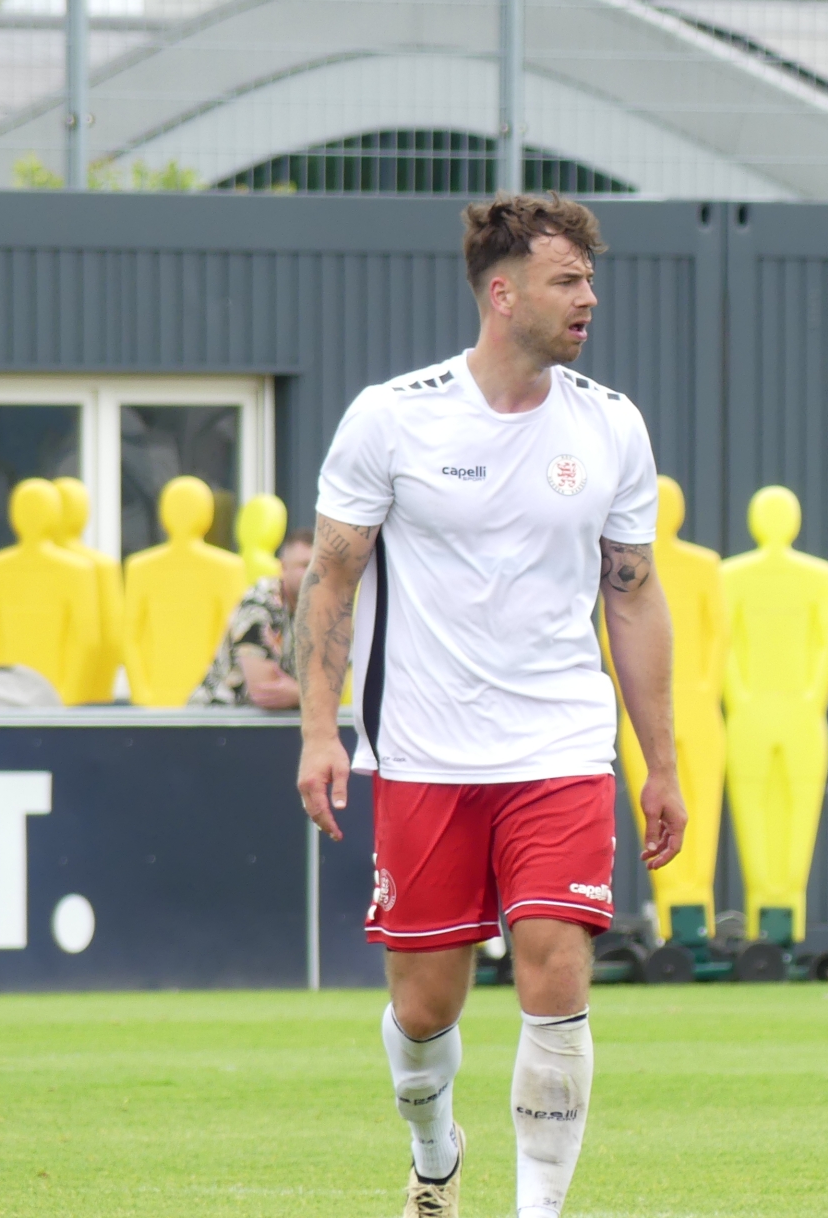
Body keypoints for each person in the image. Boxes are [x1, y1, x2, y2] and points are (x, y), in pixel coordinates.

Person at [295, 193, 686, 1218]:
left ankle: (537, 1212)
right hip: (425, 753)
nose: (589, 298)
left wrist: (662, 762)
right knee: (426, 1009)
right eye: (568, 280)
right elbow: (331, 581)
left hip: (560, 744)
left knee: (557, 971)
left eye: (591, 279)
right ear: (503, 293)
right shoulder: (394, 418)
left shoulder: (611, 424)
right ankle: (435, 1156)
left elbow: (634, 594)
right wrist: (319, 730)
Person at [190, 529, 314, 708]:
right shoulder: (259, 604)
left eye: (321, 566)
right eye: (305, 565)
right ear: (283, 567)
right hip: (216, 715)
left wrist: (300, 693)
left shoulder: (327, 610)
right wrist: (310, 694)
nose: (314, 574)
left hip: (270, 721)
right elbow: (265, 691)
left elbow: (339, 684)